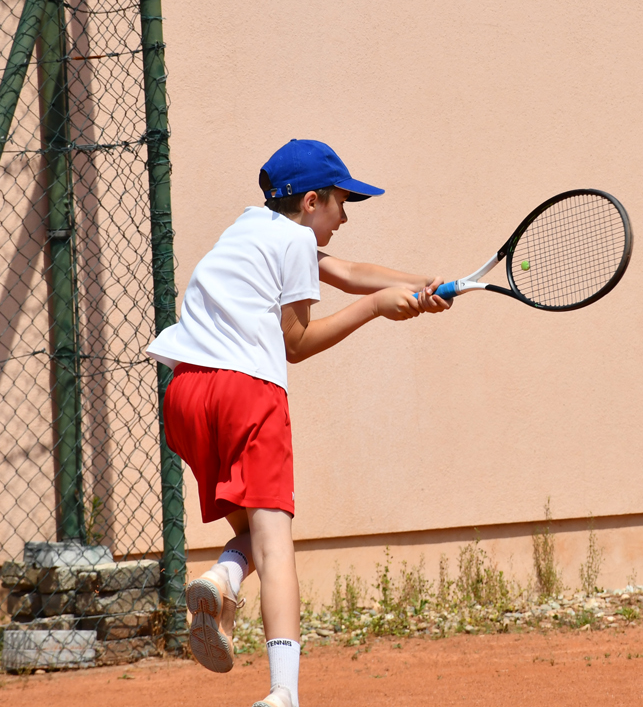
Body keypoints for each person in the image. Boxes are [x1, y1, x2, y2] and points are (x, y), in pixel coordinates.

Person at [146, 139, 450, 707]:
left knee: (251, 534)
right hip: (246, 393)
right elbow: (296, 343)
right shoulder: (296, 241)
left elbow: (349, 270)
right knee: (276, 543)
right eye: (342, 203)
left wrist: (423, 284)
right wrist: (375, 308)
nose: (345, 218)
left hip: (187, 395)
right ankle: (283, 692)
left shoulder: (250, 227)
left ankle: (224, 579)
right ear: (312, 202)